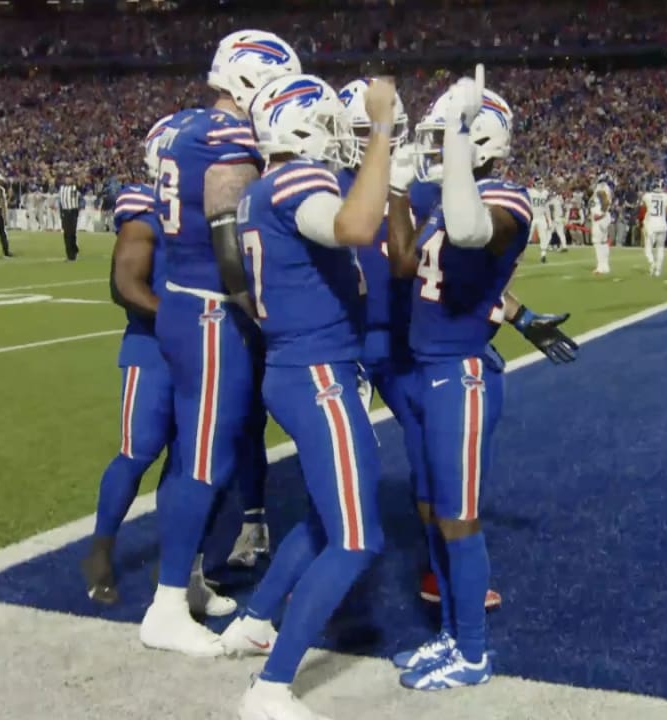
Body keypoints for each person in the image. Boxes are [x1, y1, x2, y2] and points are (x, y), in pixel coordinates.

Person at [218, 72, 394, 720]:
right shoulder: (298, 180)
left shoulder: (260, 191)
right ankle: (270, 686)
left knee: (328, 518)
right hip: (317, 373)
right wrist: (379, 128)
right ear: (302, 124)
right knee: (357, 539)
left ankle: (256, 619)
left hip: (298, 367)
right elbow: (352, 225)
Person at [139, 29, 299, 658]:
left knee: (195, 454)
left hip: (183, 299)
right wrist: (252, 304)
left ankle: (190, 581)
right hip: (211, 309)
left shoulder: (180, 126)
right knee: (205, 459)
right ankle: (167, 603)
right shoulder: (230, 136)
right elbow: (227, 227)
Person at [386, 74, 536, 691]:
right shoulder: (443, 194)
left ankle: (472, 654)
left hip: (463, 375)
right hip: (423, 374)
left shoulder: (508, 198)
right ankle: (450, 631)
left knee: (459, 519)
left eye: (447, 137)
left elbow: (474, 230)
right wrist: (396, 187)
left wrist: (452, 153)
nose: (435, 147)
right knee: (429, 511)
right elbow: (399, 260)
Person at [81, 124, 178, 606]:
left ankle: (180, 562)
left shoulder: (216, 204)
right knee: (139, 451)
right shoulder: (145, 205)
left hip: (205, 352)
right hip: (154, 348)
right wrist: (183, 319)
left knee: (190, 460)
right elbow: (124, 285)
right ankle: (100, 548)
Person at [640, 179, 667, 276]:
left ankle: (652, 262)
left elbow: (644, 207)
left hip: (651, 225)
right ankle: (658, 270)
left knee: (648, 248)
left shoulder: (647, 196)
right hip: (662, 224)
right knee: (660, 248)